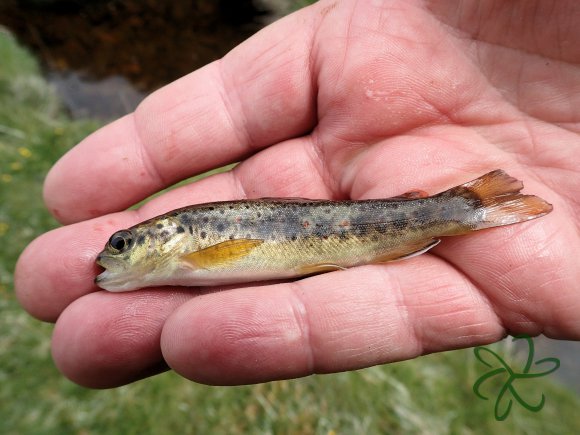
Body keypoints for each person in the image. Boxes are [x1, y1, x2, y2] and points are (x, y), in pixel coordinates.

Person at [15, 0, 580, 388]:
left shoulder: (185, 240)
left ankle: (465, 207)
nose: (109, 258)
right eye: (115, 248)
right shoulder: (180, 248)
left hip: (350, 227)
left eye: (120, 247)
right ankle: (464, 207)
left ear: (157, 239)